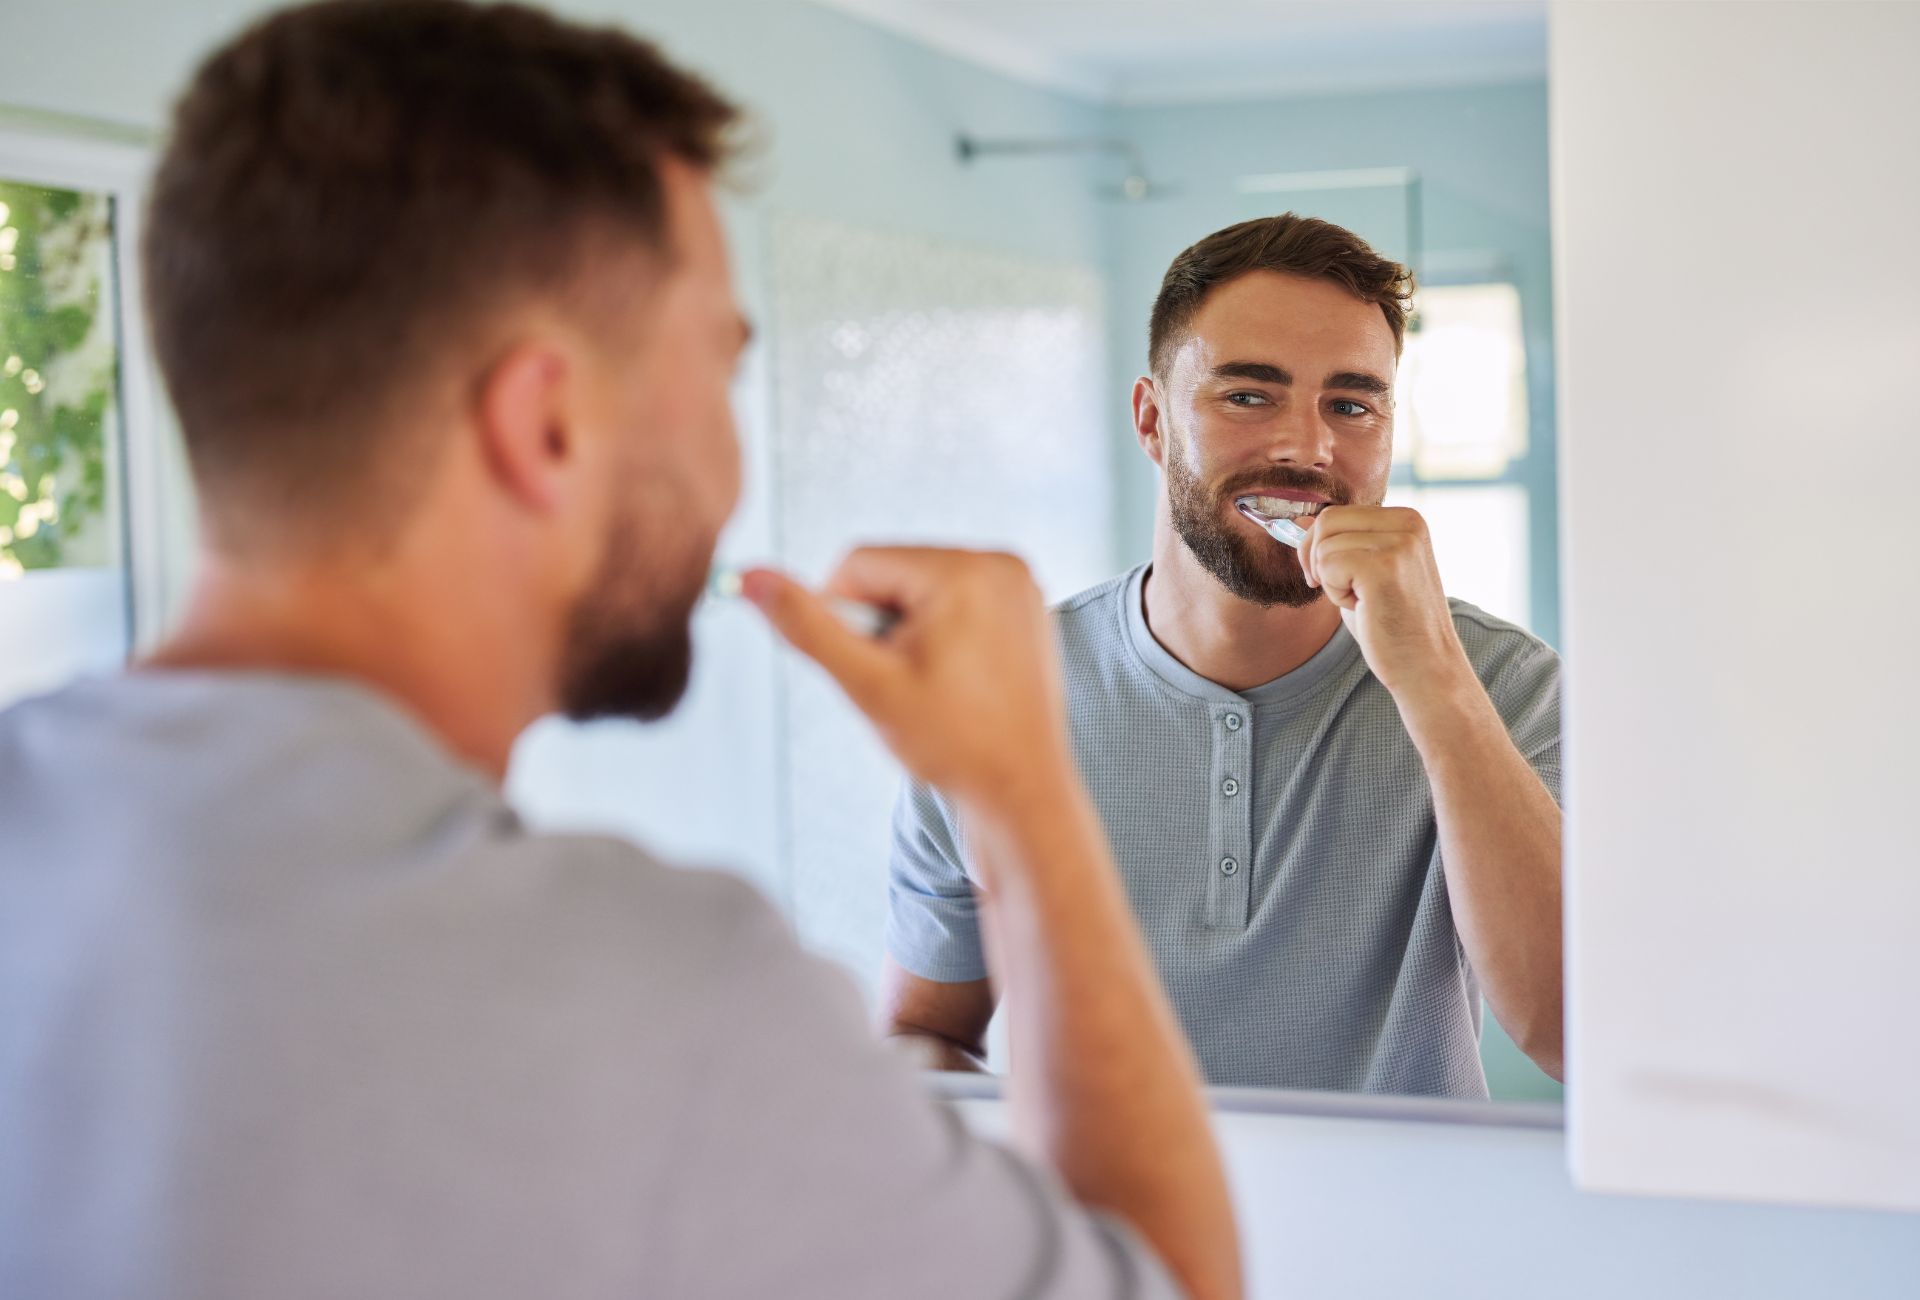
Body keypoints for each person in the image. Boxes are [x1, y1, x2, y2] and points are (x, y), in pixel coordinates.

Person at [0, 4, 1240, 1298]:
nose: (728, 471)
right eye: (719, 372)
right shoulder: (660, 999)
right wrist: (1027, 793)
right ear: (546, 427)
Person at [884, 215, 1564, 1098]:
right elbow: (925, 1032)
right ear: (1152, 420)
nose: (1306, 449)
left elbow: (1570, 1036)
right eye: (1248, 395)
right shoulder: (991, 692)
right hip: (1102, 1235)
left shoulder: (1505, 686)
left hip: (1406, 1230)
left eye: (1352, 405)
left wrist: (1433, 681)